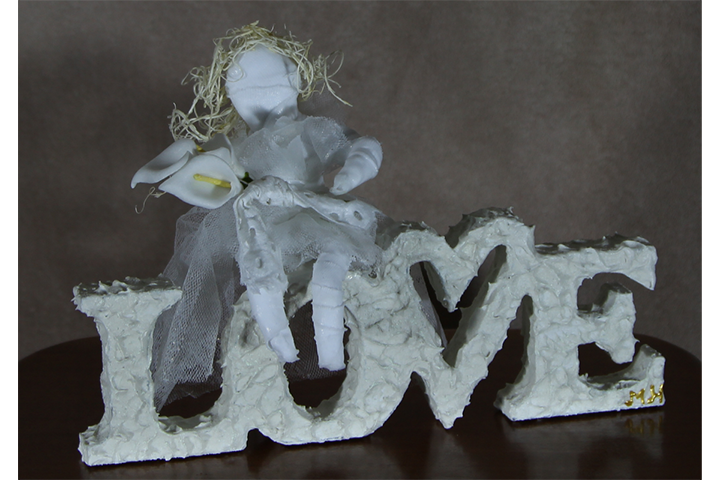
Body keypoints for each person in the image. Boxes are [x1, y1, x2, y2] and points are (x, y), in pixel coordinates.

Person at [132, 24, 384, 407]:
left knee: (331, 263)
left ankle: (332, 354)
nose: (257, 98)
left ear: (295, 80)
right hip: (260, 222)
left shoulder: (309, 130)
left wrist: (359, 163)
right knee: (258, 278)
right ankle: (275, 351)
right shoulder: (236, 142)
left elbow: (358, 144)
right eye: (244, 90)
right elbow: (217, 175)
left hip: (312, 212)